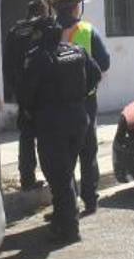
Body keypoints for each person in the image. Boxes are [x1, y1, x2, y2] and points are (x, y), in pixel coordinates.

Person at [18, 16, 102, 243]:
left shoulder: (37, 58)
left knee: (59, 176)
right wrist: (78, 97)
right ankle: (61, 217)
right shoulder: (76, 50)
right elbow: (96, 75)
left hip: (52, 124)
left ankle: (70, 228)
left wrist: (29, 112)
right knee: (64, 173)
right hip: (77, 119)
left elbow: (26, 93)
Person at [45, 0, 110, 217]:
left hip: (52, 106)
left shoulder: (45, 31)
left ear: (53, 6)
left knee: (61, 157)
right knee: (87, 151)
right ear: (76, 6)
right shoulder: (87, 31)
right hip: (85, 103)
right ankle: (90, 200)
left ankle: (66, 204)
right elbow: (104, 63)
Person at [4, 0, 50, 191]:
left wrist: (14, 89)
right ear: (42, 11)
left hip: (23, 92)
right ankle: (51, 175)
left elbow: (7, 63)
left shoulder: (15, 30)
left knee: (26, 136)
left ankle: (27, 179)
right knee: (47, 136)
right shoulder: (44, 28)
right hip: (42, 91)